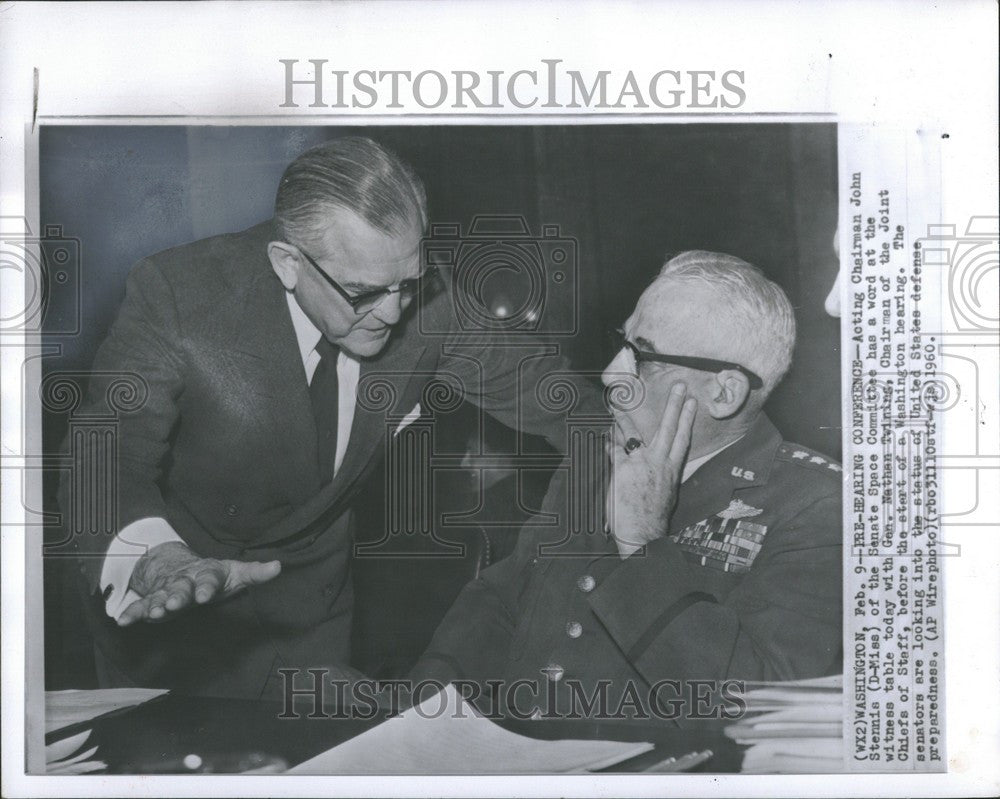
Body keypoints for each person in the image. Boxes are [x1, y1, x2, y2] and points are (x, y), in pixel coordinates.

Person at [63, 137, 602, 698]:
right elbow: (104, 458)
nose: (394, 312)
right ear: (288, 263)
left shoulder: (424, 302)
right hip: (172, 625)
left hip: (309, 628)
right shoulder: (180, 294)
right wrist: (155, 558)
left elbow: (561, 399)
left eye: (409, 282)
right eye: (363, 292)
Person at [411, 250, 843, 720]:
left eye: (641, 355)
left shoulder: (818, 508)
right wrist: (422, 708)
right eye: (621, 343)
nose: (610, 373)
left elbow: (756, 707)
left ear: (723, 393)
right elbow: (505, 597)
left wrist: (642, 545)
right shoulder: (601, 453)